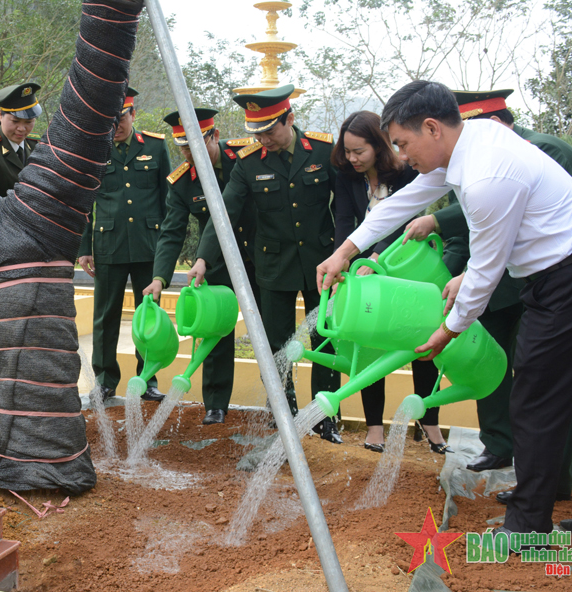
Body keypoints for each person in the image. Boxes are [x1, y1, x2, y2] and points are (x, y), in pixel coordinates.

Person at [318, 80, 572, 538]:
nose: (400, 156)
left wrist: (448, 330)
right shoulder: (472, 142)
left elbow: (485, 270)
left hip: (569, 281)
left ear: (432, 127)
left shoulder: (484, 178)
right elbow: (406, 201)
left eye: (402, 142)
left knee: (535, 398)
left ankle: (526, 525)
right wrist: (348, 249)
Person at [403, 87, 572, 496]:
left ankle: (540, 499)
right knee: (513, 377)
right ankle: (517, 457)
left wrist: (452, 320)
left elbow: (510, 228)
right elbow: (471, 232)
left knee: (544, 391)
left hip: (566, 278)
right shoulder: (463, 161)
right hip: (524, 280)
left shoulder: (531, 153)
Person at [189, 83, 343, 443]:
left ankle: (324, 417)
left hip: (322, 265)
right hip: (273, 268)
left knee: (326, 340)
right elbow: (223, 213)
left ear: (289, 118)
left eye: (269, 130)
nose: (263, 139)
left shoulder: (322, 150)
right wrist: (201, 259)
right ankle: (283, 413)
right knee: (275, 344)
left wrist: (344, 251)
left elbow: (345, 206)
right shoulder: (248, 163)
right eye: (255, 133)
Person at [331, 110, 448, 453]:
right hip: (365, 272)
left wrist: (378, 257)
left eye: (359, 152)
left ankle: (428, 423)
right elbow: (343, 222)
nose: (352, 158)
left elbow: (403, 219)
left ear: (379, 146)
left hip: (406, 267)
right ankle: (374, 428)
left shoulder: (408, 172)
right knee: (371, 345)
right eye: (347, 151)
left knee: (420, 343)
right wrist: (344, 260)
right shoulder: (346, 176)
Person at [143, 107, 258, 424]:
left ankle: (280, 403)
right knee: (216, 332)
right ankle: (216, 404)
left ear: (215, 135)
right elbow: (171, 231)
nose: (188, 153)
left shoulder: (246, 157)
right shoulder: (181, 182)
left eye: (195, 144)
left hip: (261, 256)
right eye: (182, 147)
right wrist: (159, 278)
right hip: (216, 263)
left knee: (271, 332)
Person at [78, 87, 171, 402]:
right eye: (108, 120)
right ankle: (105, 380)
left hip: (148, 245)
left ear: (132, 114)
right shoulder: (94, 150)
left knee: (150, 317)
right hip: (109, 245)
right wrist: (83, 248)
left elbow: (167, 201)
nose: (114, 125)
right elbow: (83, 203)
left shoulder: (156, 148)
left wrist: (167, 249)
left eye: (119, 118)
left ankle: (148, 378)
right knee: (105, 317)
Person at [0, 83, 43, 197]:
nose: (21, 129)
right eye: (15, 121)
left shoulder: (35, 144)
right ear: (0, 115)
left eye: (28, 122)